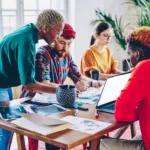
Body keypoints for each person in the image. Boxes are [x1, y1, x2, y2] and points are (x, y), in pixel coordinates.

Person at [21, 23, 102, 150]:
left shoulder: (67, 55)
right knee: (55, 132)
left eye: (69, 44)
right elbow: (45, 84)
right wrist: (70, 90)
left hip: (55, 102)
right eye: (62, 43)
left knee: (81, 121)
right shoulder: (42, 54)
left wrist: (92, 82)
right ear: (55, 38)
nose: (65, 48)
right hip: (34, 103)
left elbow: (77, 75)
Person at [0, 9, 64, 150]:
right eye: (57, 32)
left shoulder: (28, 31)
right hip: (1, 83)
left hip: (4, 80)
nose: (58, 36)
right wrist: (61, 90)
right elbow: (29, 84)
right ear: (45, 28)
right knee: (6, 126)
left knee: (8, 122)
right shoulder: (27, 41)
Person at [100, 27, 150, 150]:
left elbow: (122, 114)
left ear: (137, 54)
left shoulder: (144, 68)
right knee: (135, 138)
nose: (130, 58)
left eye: (129, 54)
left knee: (99, 143)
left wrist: (138, 111)